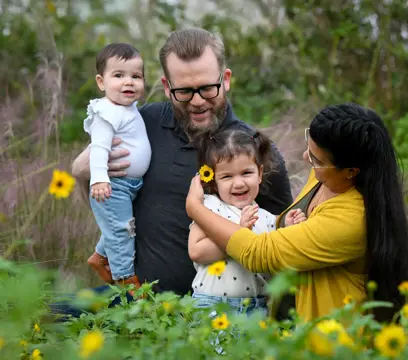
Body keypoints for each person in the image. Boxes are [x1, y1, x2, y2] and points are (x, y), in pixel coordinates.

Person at [70, 28, 293, 300]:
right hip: (136, 303)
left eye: (208, 88)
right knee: (39, 314)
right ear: (166, 87)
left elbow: (284, 251)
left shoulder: (255, 152)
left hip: (215, 316)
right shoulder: (142, 124)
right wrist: (83, 173)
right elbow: (110, 201)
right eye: (184, 91)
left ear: (226, 79)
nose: (198, 101)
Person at [185, 102, 408, 324]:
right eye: (309, 145)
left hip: (331, 336)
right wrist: (286, 224)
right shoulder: (323, 177)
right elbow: (290, 239)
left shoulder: (352, 217)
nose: (306, 159)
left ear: (350, 172)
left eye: (316, 159)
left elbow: (259, 252)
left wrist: (194, 208)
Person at [188, 129, 306, 316]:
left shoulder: (267, 218)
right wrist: (239, 233)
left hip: (257, 307)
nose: (239, 183)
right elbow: (196, 251)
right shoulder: (209, 208)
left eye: (246, 173)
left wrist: (289, 228)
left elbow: (277, 256)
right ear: (213, 180)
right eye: (227, 176)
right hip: (213, 306)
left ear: (259, 173)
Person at [84, 43, 151, 292]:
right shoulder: (106, 112)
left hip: (130, 185)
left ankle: (100, 257)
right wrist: (100, 178)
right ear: (101, 82)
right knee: (122, 232)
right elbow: (99, 148)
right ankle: (125, 280)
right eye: (119, 76)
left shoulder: (128, 108)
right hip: (114, 186)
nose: (129, 82)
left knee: (119, 226)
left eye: (136, 76)